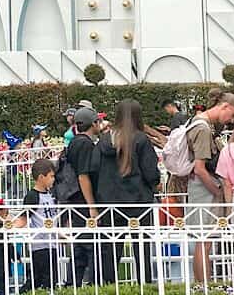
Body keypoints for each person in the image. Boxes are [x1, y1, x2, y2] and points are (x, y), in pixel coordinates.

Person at [94, 99, 159, 284]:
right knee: (142, 249)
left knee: (111, 250)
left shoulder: (104, 140)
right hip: (138, 202)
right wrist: (155, 183)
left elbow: (95, 169)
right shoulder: (140, 139)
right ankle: (144, 286)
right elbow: (150, 172)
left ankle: (108, 287)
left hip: (109, 202)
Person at [186, 92, 234, 283]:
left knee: (203, 241)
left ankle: (202, 285)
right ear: (225, 107)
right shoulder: (203, 128)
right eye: (231, 116)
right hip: (204, 189)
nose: (230, 121)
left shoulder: (196, 122)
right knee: (204, 241)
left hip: (198, 188)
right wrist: (217, 191)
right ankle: (203, 286)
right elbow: (200, 168)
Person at [59, 107, 100, 287]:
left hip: (74, 199)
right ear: (93, 124)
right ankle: (91, 285)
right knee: (89, 245)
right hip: (82, 200)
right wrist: (92, 205)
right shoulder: (85, 144)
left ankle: (72, 284)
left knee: (80, 245)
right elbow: (83, 176)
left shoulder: (75, 142)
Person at [17, 159, 57, 291]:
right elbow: (24, 218)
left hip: (52, 242)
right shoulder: (32, 196)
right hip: (40, 244)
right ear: (41, 177)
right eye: (51, 176)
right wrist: (9, 227)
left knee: (51, 278)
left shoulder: (51, 195)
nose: (53, 179)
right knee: (38, 278)